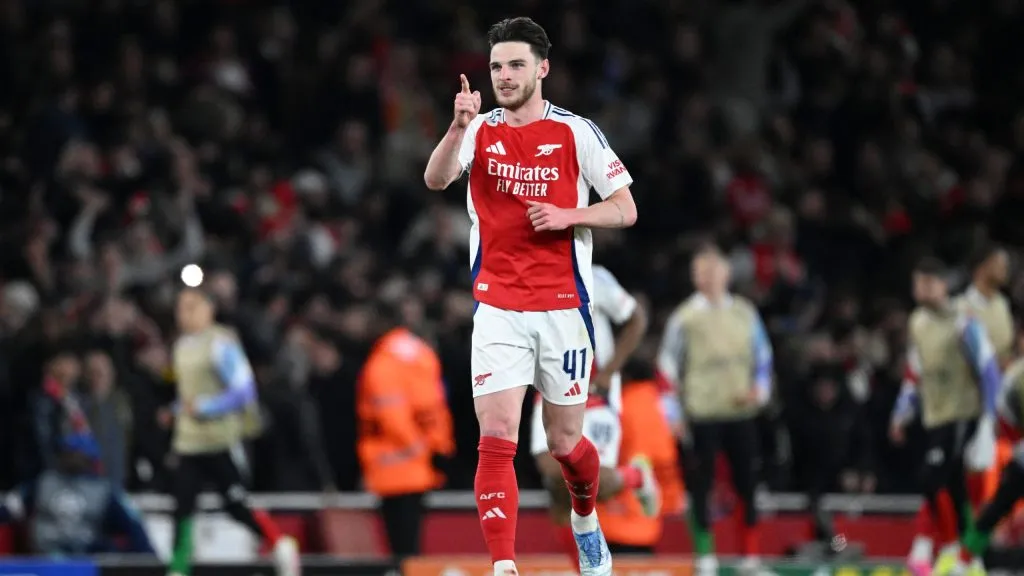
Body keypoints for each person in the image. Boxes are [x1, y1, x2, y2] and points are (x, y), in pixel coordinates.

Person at [423, 16, 638, 576]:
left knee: (564, 442)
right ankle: (503, 565)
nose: (504, 75)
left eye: (516, 64)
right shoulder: (478, 127)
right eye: (497, 66)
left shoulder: (576, 132)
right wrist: (455, 128)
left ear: (542, 69)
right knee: (496, 436)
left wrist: (570, 213)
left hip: (564, 309)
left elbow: (626, 207)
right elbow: (437, 180)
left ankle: (586, 518)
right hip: (497, 307)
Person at [655, 243, 773, 576]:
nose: (706, 277)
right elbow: (665, 368)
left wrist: (759, 390)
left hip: (741, 413)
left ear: (727, 272)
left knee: (748, 485)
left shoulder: (745, 313)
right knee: (701, 487)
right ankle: (705, 558)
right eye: (700, 271)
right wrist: (672, 415)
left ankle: (750, 558)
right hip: (702, 415)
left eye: (712, 269)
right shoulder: (685, 318)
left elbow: (763, 357)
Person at [163, 288, 299, 576]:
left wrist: (205, 407)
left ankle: (279, 543)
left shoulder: (220, 343)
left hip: (219, 440)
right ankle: (178, 569)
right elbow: (189, 394)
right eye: (181, 307)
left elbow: (243, 390)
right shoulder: (181, 347)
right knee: (182, 506)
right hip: (189, 442)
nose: (184, 313)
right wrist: (175, 410)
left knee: (235, 503)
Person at [528, 265, 656, 569]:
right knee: (552, 477)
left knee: (586, 483)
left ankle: (637, 477)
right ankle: (633, 478)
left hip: (593, 390)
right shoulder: (531, 271)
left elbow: (637, 319)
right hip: (549, 386)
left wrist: (610, 372)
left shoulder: (592, 276)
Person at [890, 258, 1000, 576]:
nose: (920, 290)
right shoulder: (918, 323)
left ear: (943, 285)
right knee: (954, 490)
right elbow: (916, 371)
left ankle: (939, 544)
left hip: (962, 415)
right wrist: (901, 412)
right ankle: (969, 556)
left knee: (931, 478)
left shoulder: (964, 323)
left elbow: (988, 370)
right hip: (934, 417)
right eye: (916, 283)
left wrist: (987, 426)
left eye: (926, 283)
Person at [357, 304, 456, 558]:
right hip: (420, 462)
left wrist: (415, 447)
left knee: (401, 548)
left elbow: (392, 416)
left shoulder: (383, 363)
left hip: (395, 465)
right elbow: (436, 403)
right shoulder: (421, 352)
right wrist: (435, 448)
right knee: (413, 544)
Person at [0, 433, 155, 555]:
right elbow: (9, 508)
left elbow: (135, 530)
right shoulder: (41, 483)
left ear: (90, 459)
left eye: (75, 453)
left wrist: (148, 565)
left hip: (85, 560)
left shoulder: (105, 492)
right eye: (67, 452)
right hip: (43, 560)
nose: (71, 458)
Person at [955, 243, 1015, 508]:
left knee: (997, 472)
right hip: (968, 403)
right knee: (965, 474)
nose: (1006, 270)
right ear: (982, 268)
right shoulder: (961, 307)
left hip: (1001, 402)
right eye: (999, 264)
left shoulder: (1003, 305)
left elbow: (1006, 350)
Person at [598, 377, 685, 556]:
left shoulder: (612, 404)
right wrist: (671, 499)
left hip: (606, 519)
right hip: (644, 523)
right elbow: (665, 460)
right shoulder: (660, 404)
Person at [960, 355, 1024, 576]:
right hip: (1020, 458)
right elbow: (1004, 413)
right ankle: (965, 559)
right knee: (995, 510)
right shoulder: (1017, 375)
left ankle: (966, 558)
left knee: (996, 509)